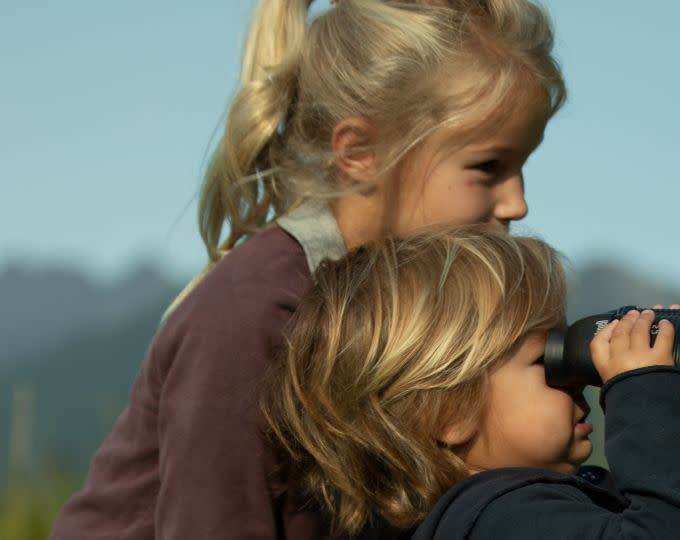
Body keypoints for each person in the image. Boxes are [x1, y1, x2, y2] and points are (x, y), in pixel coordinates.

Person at [50, 0, 564, 538]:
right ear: (360, 151)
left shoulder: (402, 318)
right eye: (489, 166)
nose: (518, 203)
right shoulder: (252, 318)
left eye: (522, 166)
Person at [261, 225, 680, 539]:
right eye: (544, 360)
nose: (575, 380)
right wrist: (646, 396)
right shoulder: (499, 521)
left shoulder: (535, 506)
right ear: (448, 414)